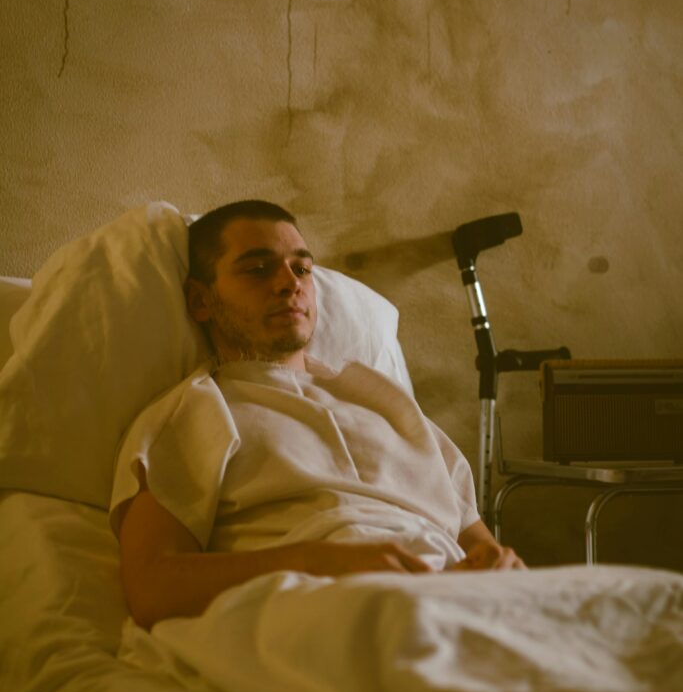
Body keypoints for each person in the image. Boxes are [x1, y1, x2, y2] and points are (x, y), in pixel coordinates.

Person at [115, 201, 525, 629]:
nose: (289, 283)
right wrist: (315, 562)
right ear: (201, 300)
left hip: (464, 604)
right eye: (258, 269)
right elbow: (152, 588)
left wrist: (505, 570)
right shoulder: (194, 413)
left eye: (302, 269)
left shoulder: (390, 405)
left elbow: (482, 548)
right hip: (328, 611)